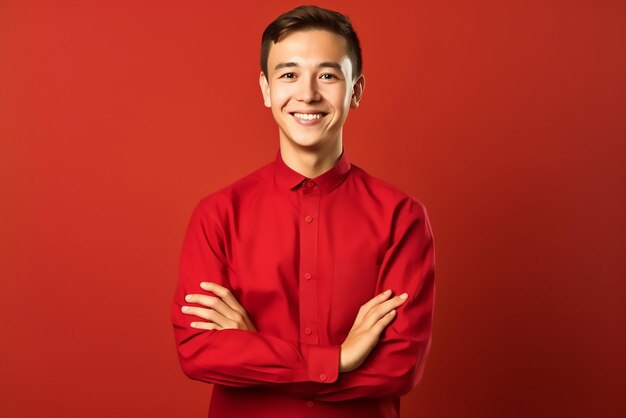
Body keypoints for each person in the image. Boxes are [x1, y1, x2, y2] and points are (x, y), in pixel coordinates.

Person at [171, 5, 435, 418]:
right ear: (265, 89)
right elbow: (199, 352)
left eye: (328, 75)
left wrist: (253, 351)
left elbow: (398, 368)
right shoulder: (218, 214)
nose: (308, 94)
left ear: (356, 90)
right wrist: (340, 359)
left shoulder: (401, 217)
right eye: (289, 74)